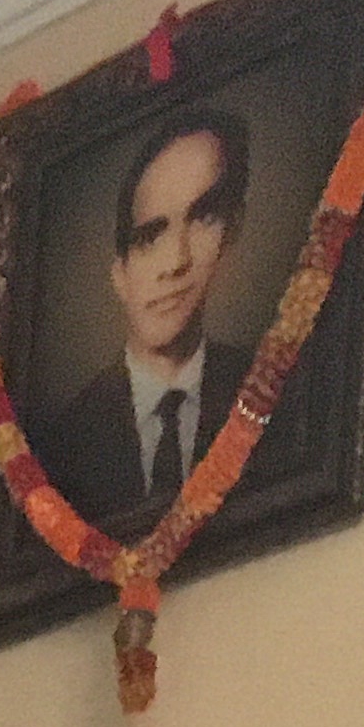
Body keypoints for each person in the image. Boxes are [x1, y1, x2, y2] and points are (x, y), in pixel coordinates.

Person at [38, 107, 257, 527]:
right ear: (119, 274)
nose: (175, 262)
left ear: (232, 230)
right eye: (149, 237)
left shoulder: (271, 392)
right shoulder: (61, 444)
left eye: (203, 218)